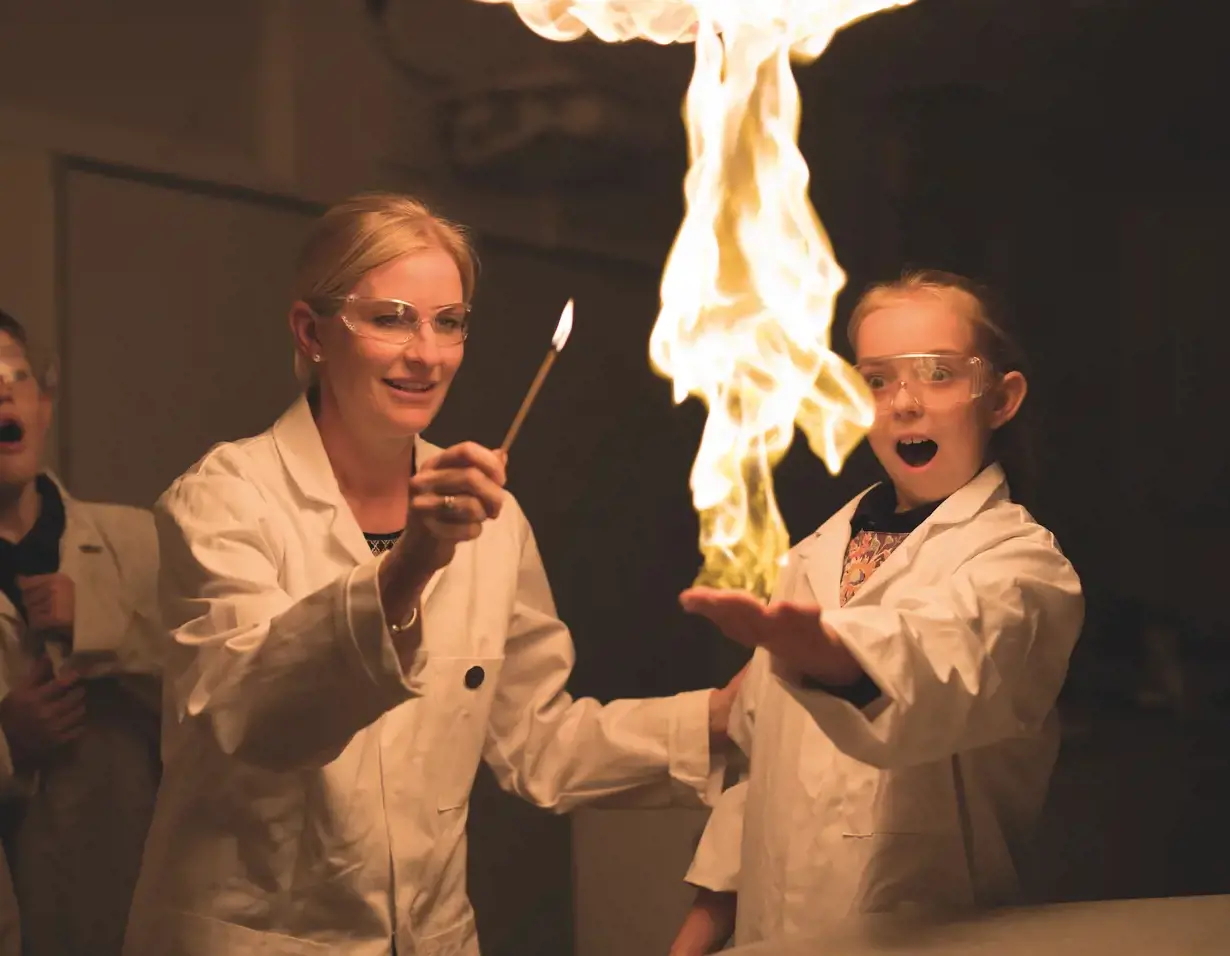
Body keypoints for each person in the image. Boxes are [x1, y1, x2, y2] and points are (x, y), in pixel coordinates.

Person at [122, 193, 741, 956]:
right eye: (390, 318)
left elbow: (537, 744)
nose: (428, 353)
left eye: (449, 321)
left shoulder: (493, 521)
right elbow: (258, 717)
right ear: (311, 332)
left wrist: (716, 717)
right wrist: (411, 563)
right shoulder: (223, 503)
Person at [668, 270, 1085, 953]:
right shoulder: (809, 560)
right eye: (878, 380)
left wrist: (836, 657)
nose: (905, 404)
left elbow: (945, 666)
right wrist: (696, 936)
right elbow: (762, 783)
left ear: (1001, 399)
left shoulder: (1023, 570)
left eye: (939, 375)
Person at [0, 308, 164, 956]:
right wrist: (7, 742)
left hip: (128, 909)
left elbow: (222, 693)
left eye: (16, 375)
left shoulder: (141, 543)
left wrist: (102, 628)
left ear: (44, 403)